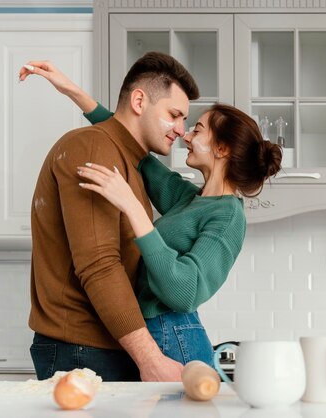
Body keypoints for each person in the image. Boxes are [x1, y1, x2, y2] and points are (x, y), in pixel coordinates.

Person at [21, 58, 283, 372]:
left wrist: (132, 207)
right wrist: (74, 93)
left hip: (175, 334)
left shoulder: (228, 216)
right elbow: (133, 145)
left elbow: (186, 291)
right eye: (176, 116)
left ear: (222, 149)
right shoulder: (189, 198)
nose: (184, 134)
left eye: (194, 127)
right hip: (151, 336)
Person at [26, 52, 200, 382]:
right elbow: (100, 264)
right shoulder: (94, 148)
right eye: (175, 115)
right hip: (82, 351)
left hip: (101, 347)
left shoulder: (126, 159)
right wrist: (150, 358)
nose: (181, 130)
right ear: (139, 100)